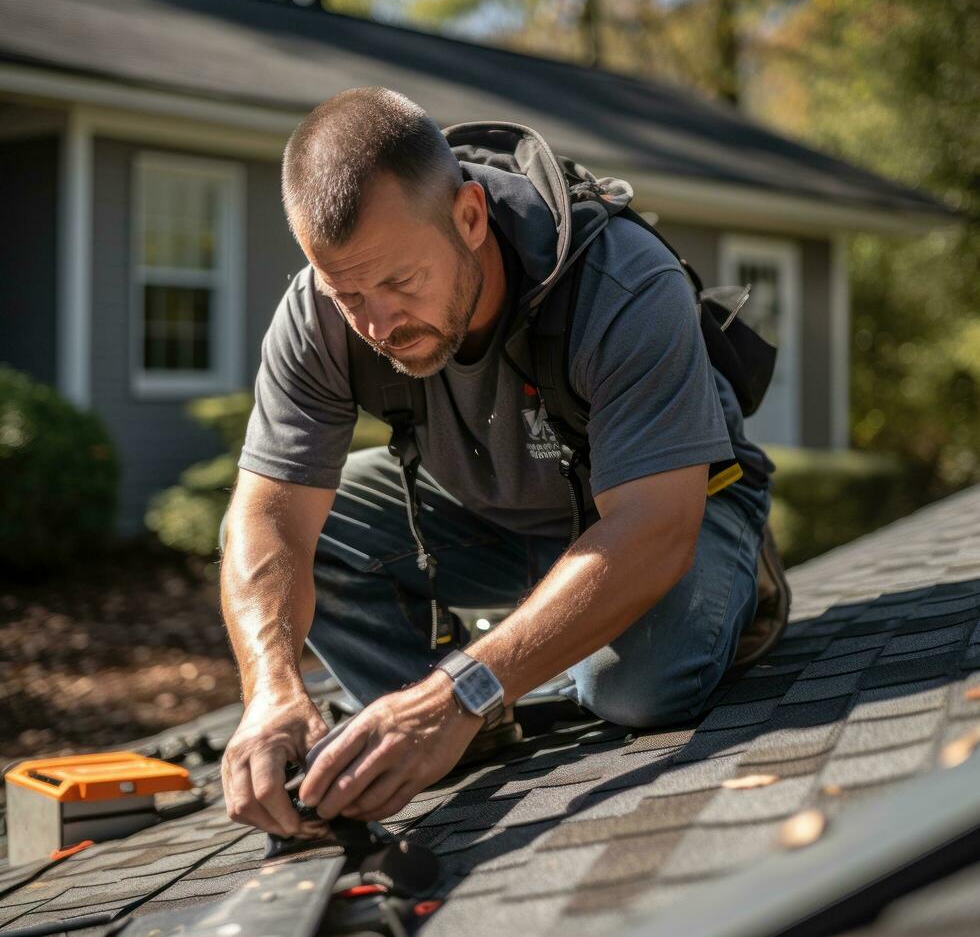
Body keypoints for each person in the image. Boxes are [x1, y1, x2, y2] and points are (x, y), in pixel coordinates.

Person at [219, 87, 787, 841]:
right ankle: (441, 722)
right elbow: (268, 516)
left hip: (659, 511)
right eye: (347, 293)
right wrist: (270, 688)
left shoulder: (619, 280)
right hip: (492, 518)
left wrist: (462, 689)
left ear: (470, 218)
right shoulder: (321, 314)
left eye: (400, 283)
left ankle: (733, 582)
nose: (377, 324)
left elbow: (653, 522)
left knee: (636, 689)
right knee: (309, 533)